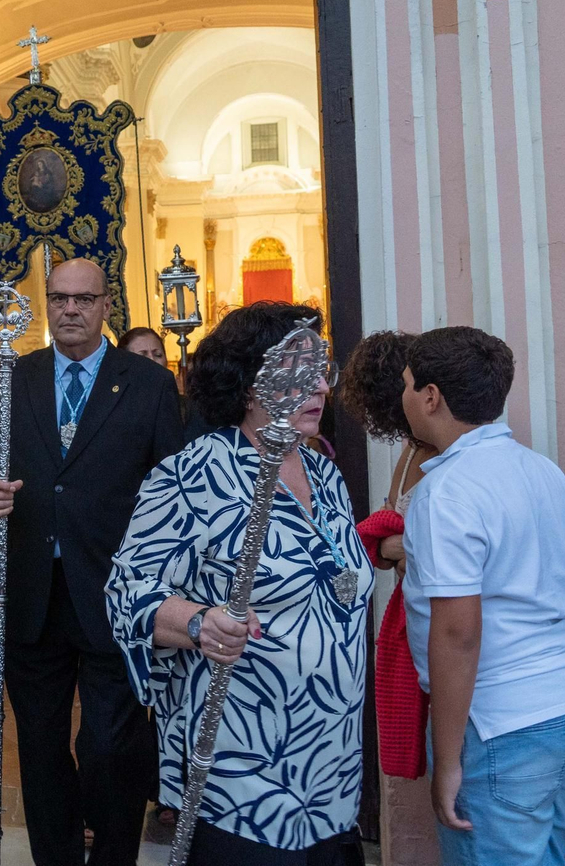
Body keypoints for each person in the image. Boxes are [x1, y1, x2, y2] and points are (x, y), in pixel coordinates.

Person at [108, 303, 371, 864]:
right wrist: (199, 623)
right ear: (251, 384)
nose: (321, 386)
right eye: (301, 372)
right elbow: (127, 593)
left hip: (331, 766)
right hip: (241, 768)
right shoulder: (194, 474)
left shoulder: (325, 474)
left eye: (322, 370)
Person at [0, 258, 183, 866]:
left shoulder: (147, 384)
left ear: (105, 307)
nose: (70, 309)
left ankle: (113, 856)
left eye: (84, 299)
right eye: (59, 298)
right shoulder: (14, 377)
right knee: (40, 750)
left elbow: (173, 491)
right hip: (33, 596)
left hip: (117, 595)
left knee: (110, 747)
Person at [400, 326, 565, 866]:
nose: (403, 396)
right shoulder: (540, 468)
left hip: (503, 721)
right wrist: (561, 673)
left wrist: (449, 760)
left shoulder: (444, 490)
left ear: (430, 396)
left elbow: (458, 631)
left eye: (405, 384)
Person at [339, 331, 432, 779]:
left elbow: (417, 547)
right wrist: (394, 545)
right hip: (417, 618)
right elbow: (388, 538)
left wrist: (397, 545)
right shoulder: (412, 449)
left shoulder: (449, 453)